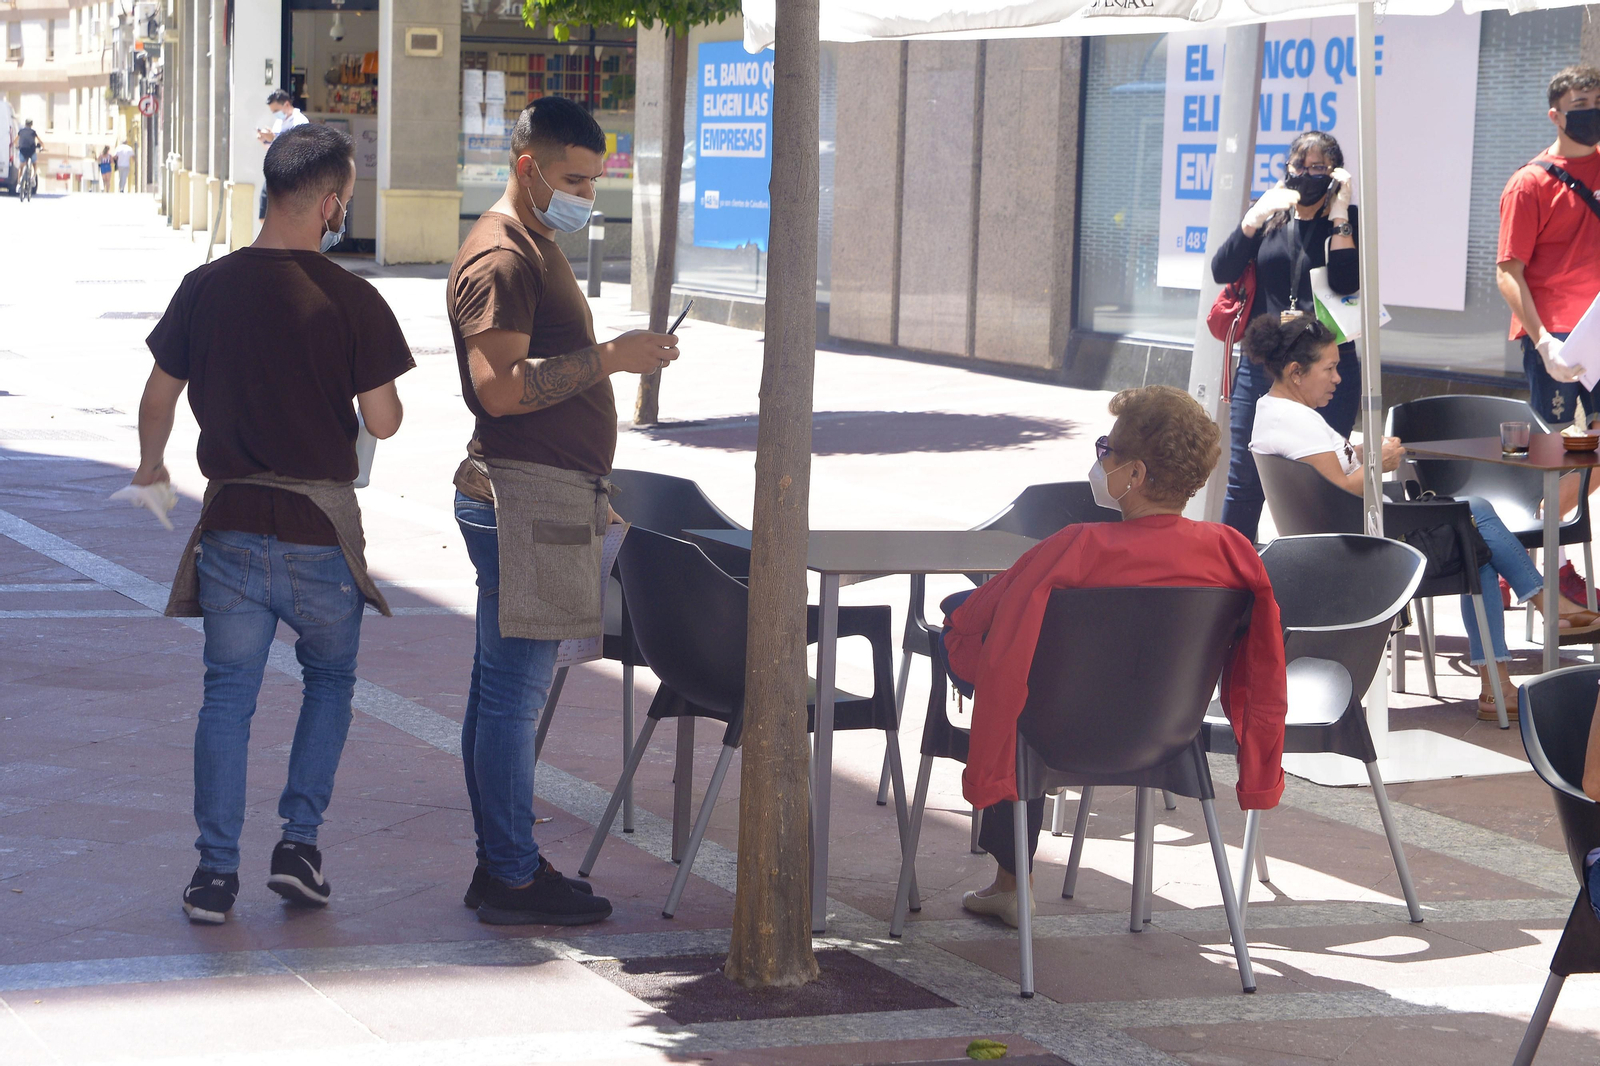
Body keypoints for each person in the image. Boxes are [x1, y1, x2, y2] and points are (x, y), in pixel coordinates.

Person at [132, 124, 414, 924]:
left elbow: (159, 395)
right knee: (328, 682)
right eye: (345, 204)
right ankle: (299, 846)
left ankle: (212, 876)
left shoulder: (205, 286)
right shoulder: (354, 298)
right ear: (328, 203)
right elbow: (385, 422)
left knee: (228, 698)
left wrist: (152, 464)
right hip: (318, 535)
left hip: (228, 525)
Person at [447, 96, 679, 926]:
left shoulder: (531, 243)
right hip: (525, 497)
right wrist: (612, 358)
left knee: (497, 692)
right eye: (575, 179)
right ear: (528, 168)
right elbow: (501, 389)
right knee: (511, 699)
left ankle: (501, 864)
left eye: (595, 180)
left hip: (540, 492)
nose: (587, 194)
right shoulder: (504, 256)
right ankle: (509, 874)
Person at [942, 386, 1289, 926]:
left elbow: (973, 624)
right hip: (1170, 734)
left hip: (1057, 732)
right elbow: (1260, 664)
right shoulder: (1233, 552)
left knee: (1012, 694)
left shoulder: (1075, 546)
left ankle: (1012, 882)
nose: (1099, 459)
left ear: (1136, 475)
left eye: (1108, 449)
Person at [1242, 314, 1596, 720]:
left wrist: (1364, 454)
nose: (1338, 378)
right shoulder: (1296, 421)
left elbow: (1327, 475)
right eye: (1330, 368)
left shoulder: (1276, 411)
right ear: (1296, 372)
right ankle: (1544, 612)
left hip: (1339, 543)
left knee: (1473, 545)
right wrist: (1380, 464)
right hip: (1357, 554)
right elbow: (1339, 490)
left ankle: (1498, 684)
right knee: (1473, 515)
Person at [1211, 130, 1361, 544]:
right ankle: (1228, 577)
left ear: (1335, 174)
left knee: (1327, 478)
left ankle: (1319, 575)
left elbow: (1347, 282)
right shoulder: (1271, 217)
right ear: (1286, 170)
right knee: (1245, 480)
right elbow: (1222, 270)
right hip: (1267, 366)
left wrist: (1341, 212)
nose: (1307, 175)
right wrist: (1253, 218)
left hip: (1327, 365)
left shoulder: (1345, 222)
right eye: (1300, 166)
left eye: (1319, 168)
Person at [1498, 66, 1600, 608]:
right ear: (1556, 114)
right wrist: (1541, 340)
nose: (1592, 110)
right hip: (1557, 339)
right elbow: (1508, 271)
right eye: (1582, 102)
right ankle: (1550, 561)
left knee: (1596, 455)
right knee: (1556, 452)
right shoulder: (1530, 182)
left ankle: (1528, 541)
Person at [258, 91, 310, 218]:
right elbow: (274, 148)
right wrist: (264, 141)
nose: (276, 114)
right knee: (264, 214)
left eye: (276, 110)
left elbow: (296, 148)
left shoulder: (300, 121)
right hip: (276, 172)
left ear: (286, 104)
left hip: (291, 176)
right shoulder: (279, 123)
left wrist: (273, 139)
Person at [15, 119, 41, 190]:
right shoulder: (33, 132)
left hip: (22, 150)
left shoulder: (21, 131)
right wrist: (42, 148)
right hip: (31, 151)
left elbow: (15, 141)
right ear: (31, 125)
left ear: (25, 124)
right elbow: (40, 141)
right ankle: (33, 177)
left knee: (21, 167)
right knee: (34, 164)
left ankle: (18, 183)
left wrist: (16, 146)